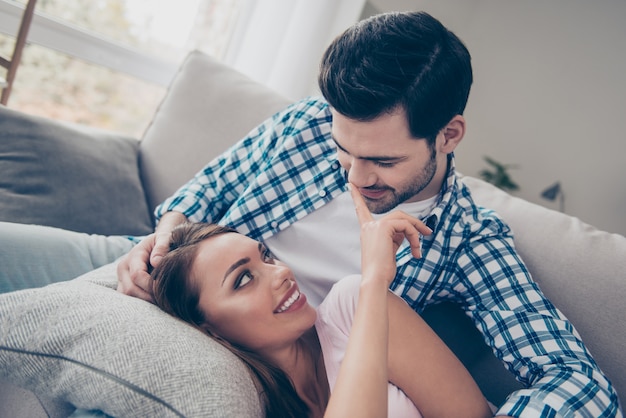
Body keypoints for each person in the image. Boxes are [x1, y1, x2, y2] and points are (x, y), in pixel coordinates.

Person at [150, 185, 493, 417]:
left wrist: (374, 280)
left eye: (266, 256)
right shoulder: (242, 402)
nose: (281, 272)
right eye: (243, 279)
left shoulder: (352, 307)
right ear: (210, 331)